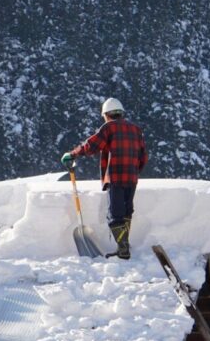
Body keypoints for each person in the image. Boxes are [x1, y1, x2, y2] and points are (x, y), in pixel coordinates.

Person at [61, 98, 148, 259]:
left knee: (115, 215)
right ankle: (124, 245)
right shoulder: (136, 130)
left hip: (115, 177)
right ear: (121, 113)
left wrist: (72, 154)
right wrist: (135, 171)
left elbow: (91, 146)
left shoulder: (109, 128)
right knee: (127, 211)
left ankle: (123, 249)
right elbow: (144, 157)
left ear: (107, 115)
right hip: (132, 178)